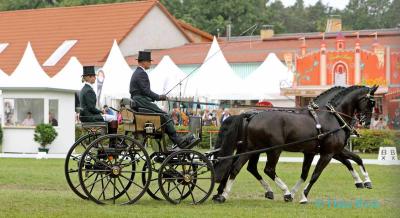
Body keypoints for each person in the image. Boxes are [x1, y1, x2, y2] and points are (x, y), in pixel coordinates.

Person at [129, 51, 195, 148]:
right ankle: (178, 141)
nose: (151, 63)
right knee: (164, 116)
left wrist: (156, 98)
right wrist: (159, 97)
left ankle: (176, 139)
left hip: (140, 100)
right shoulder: (141, 73)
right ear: (144, 62)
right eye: (149, 61)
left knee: (163, 115)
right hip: (141, 100)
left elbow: (143, 92)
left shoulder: (137, 73)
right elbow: (146, 91)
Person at [79, 66, 118, 135]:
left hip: (85, 116)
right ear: (88, 77)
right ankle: (113, 141)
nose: (95, 78)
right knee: (113, 117)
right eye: (93, 76)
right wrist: (101, 111)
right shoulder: (89, 90)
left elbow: (90, 107)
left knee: (108, 117)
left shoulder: (84, 89)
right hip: (90, 117)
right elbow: (91, 108)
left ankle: (107, 135)